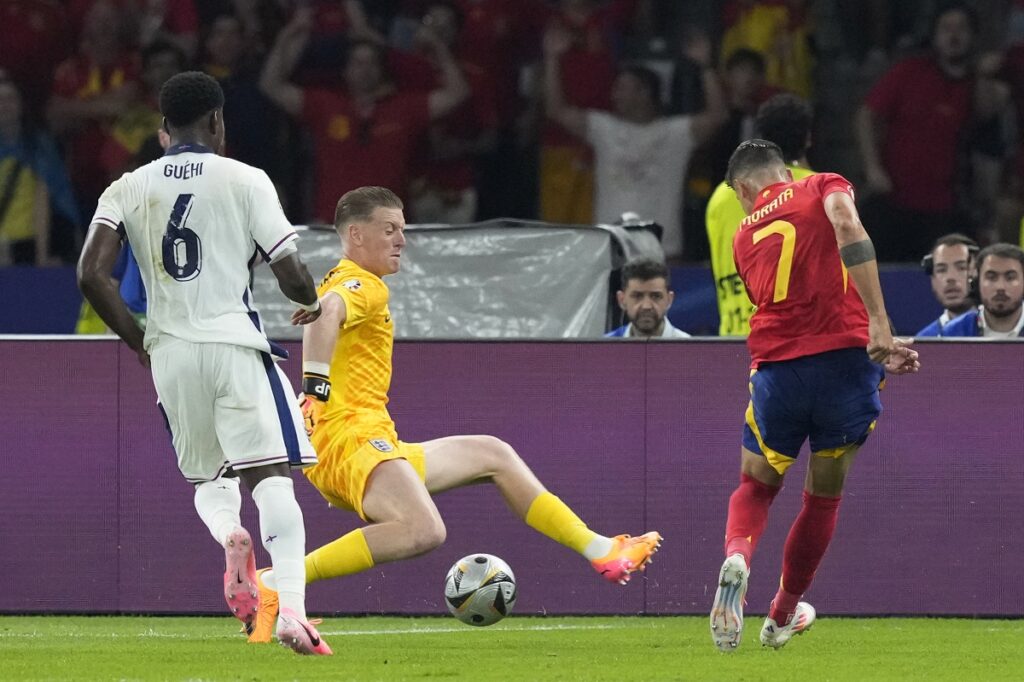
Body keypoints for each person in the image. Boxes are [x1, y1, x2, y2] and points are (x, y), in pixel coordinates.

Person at [244, 186, 662, 644]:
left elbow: (323, 312)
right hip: (350, 439)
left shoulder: (343, 282)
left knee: (493, 454)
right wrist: (315, 387)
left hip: (366, 438)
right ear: (356, 234)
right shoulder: (362, 284)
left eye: (403, 229)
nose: (402, 239)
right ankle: (278, 583)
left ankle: (601, 550)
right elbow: (325, 317)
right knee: (423, 529)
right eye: (390, 230)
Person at [76, 71, 331, 656]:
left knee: (208, 480)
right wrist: (312, 303)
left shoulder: (127, 186)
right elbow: (290, 273)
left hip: (170, 352)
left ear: (162, 131)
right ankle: (291, 608)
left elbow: (91, 273)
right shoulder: (246, 178)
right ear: (218, 122)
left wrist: (140, 343)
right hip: (235, 345)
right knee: (270, 477)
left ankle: (228, 536)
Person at [709, 140, 919, 652]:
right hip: (846, 367)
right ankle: (782, 614)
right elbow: (847, 224)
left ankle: (738, 555)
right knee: (822, 497)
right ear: (784, 171)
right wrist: (879, 324)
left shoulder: (742, 234)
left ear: (743, 188)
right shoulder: (822, 184)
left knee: (757, 486)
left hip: (778, 369)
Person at [259, 6, 469, 223]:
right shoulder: (325, 104)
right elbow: (271, 85)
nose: (365, 69)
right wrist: (287, 36)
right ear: (346, 70)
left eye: (371, 63)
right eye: (358, 63)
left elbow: (458, 93)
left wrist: (437, 46)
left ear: (381, 70)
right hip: (334, 227)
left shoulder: (403, 108)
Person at [543, 21, 726, 260]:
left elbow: (719, 115)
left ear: (644, 93)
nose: (614, 94)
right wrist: (552, 59)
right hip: (611, 248)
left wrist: (705, 68)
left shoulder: (676, 133)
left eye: (622, 88)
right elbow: (556, 110)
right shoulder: (603, 128)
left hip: (662, 249)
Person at [706, 93, 814, 336]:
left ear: (760, 137)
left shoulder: (721, 195)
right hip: (793, 342)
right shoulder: (820, 191)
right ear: (808, 138)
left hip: (733, 337)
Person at [939, 243, 1024, 338]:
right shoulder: (953, 332)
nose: (1000, 287)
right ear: (977, 282)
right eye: (991, 277)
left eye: (1010, 277)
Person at [605, 258, 690, 339]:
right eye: (637, 296)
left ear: (669, 300)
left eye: (656, 296)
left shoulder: (689, 349)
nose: (646, 306)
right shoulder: (604, 348)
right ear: (621, 300)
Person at [916, 233, 980, 337]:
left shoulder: (1000, 332)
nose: (950, 278)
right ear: (933, 279)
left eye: (961, 268)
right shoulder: (925, 340)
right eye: (941, 270)